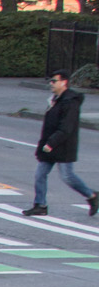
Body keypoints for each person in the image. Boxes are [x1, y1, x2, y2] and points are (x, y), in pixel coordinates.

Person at [24, 72, 98, 218]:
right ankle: (40, 205)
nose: (51, 84)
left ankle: (92, 196)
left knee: (67, 176)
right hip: (49, 144)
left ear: (64, 82)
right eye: (50, 81)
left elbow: (66, 128)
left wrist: (51, 143)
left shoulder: (70, 102)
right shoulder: (55, 100)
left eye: (54, 81)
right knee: (40, 174)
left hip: (63, 145)